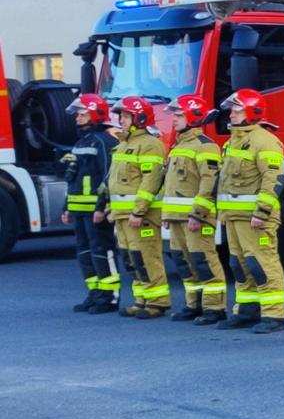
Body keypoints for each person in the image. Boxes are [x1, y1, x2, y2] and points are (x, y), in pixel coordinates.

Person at [216, 89, 284, 333]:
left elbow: (273, 178)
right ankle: (247, 311)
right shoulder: (233, 140)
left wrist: (262, 212)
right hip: (234, 217)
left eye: (237, 110)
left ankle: (274, 314)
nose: (232, 114)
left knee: (262, 264)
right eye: (232, 110)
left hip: (255, 218)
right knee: (239, 265)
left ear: (253, 112)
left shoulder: (265, 140)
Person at [159, 94, 224, 325]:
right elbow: (170, 184)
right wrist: (166, 214)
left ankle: (214, 308)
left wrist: (199, 214)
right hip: (177, 218)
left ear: (194, 117)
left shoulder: (206, 146)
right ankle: (193, 304)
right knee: (184, 262)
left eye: (179, 115)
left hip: (196, 218)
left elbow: (210, 183)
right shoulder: (179, 145)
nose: (174, 119)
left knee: (203, 260)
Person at [107, 97, 170, 319]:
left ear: (140, 118)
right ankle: (141, 299)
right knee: (131, 259)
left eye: (126, 116)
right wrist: (110, 208)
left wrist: (139, 211)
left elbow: (150, 180)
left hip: (140, 216)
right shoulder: (123, 144)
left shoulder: (149, 144)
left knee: (146, 257)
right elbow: (113, 181)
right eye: (121, 116)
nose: (121, 120)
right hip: (122, 215)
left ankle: (157, 302)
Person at [63, 93, 120, 315]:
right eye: (77, 114)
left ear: (96, 114)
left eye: (82, 114)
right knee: (85, 253)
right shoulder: (81, 143)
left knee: (102, 251)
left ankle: (109, 297)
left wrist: (101, 207)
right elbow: (73, 177)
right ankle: (95, 293)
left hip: (95, 211)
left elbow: (107, 177)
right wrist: (67, 206)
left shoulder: (104, 141)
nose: (77, 118)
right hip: (79, 210)